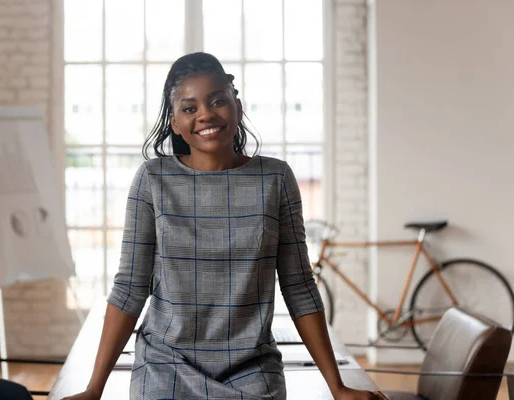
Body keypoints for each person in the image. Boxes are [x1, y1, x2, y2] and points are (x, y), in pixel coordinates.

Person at [64, 52, 387, 400]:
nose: (205, 114)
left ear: (237, 105)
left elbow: (299, 286)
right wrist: (93, 389)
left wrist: (337, 387)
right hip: (164, 365)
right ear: (174, 121)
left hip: (252, 369)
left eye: (217, 101)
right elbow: (129, 288)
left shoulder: (275, 178)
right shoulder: (153, 180)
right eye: (190, 108)